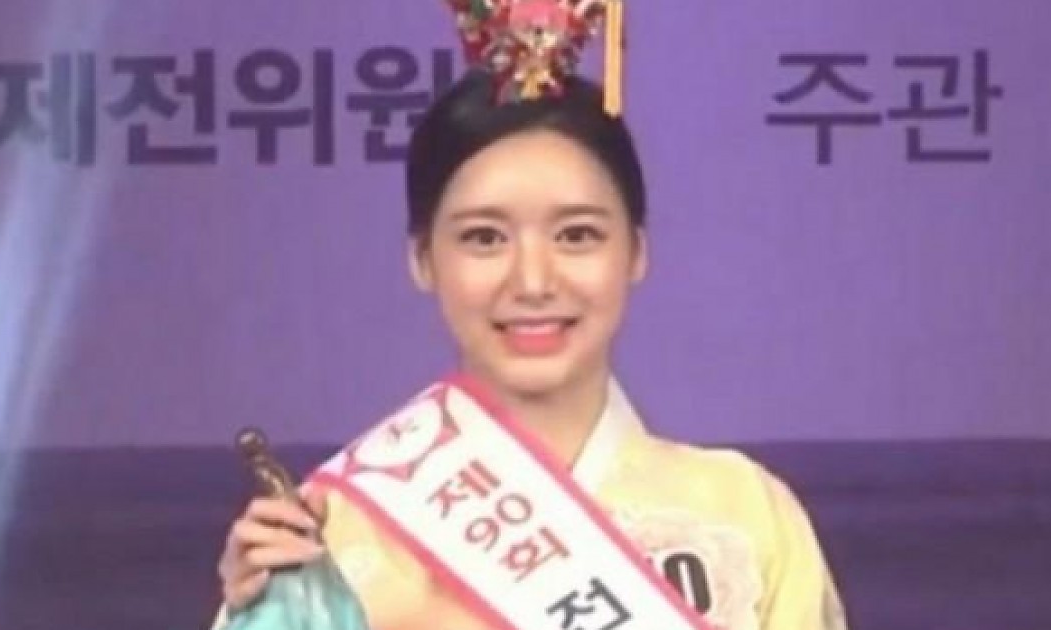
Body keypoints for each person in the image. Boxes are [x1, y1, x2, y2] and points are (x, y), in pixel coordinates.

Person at [215, 2, 849, 629]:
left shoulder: (744, 512)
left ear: (636, 252)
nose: (534, 282)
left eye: (577, 235)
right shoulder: (333, 528)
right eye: (484, 238)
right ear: (423, 259)